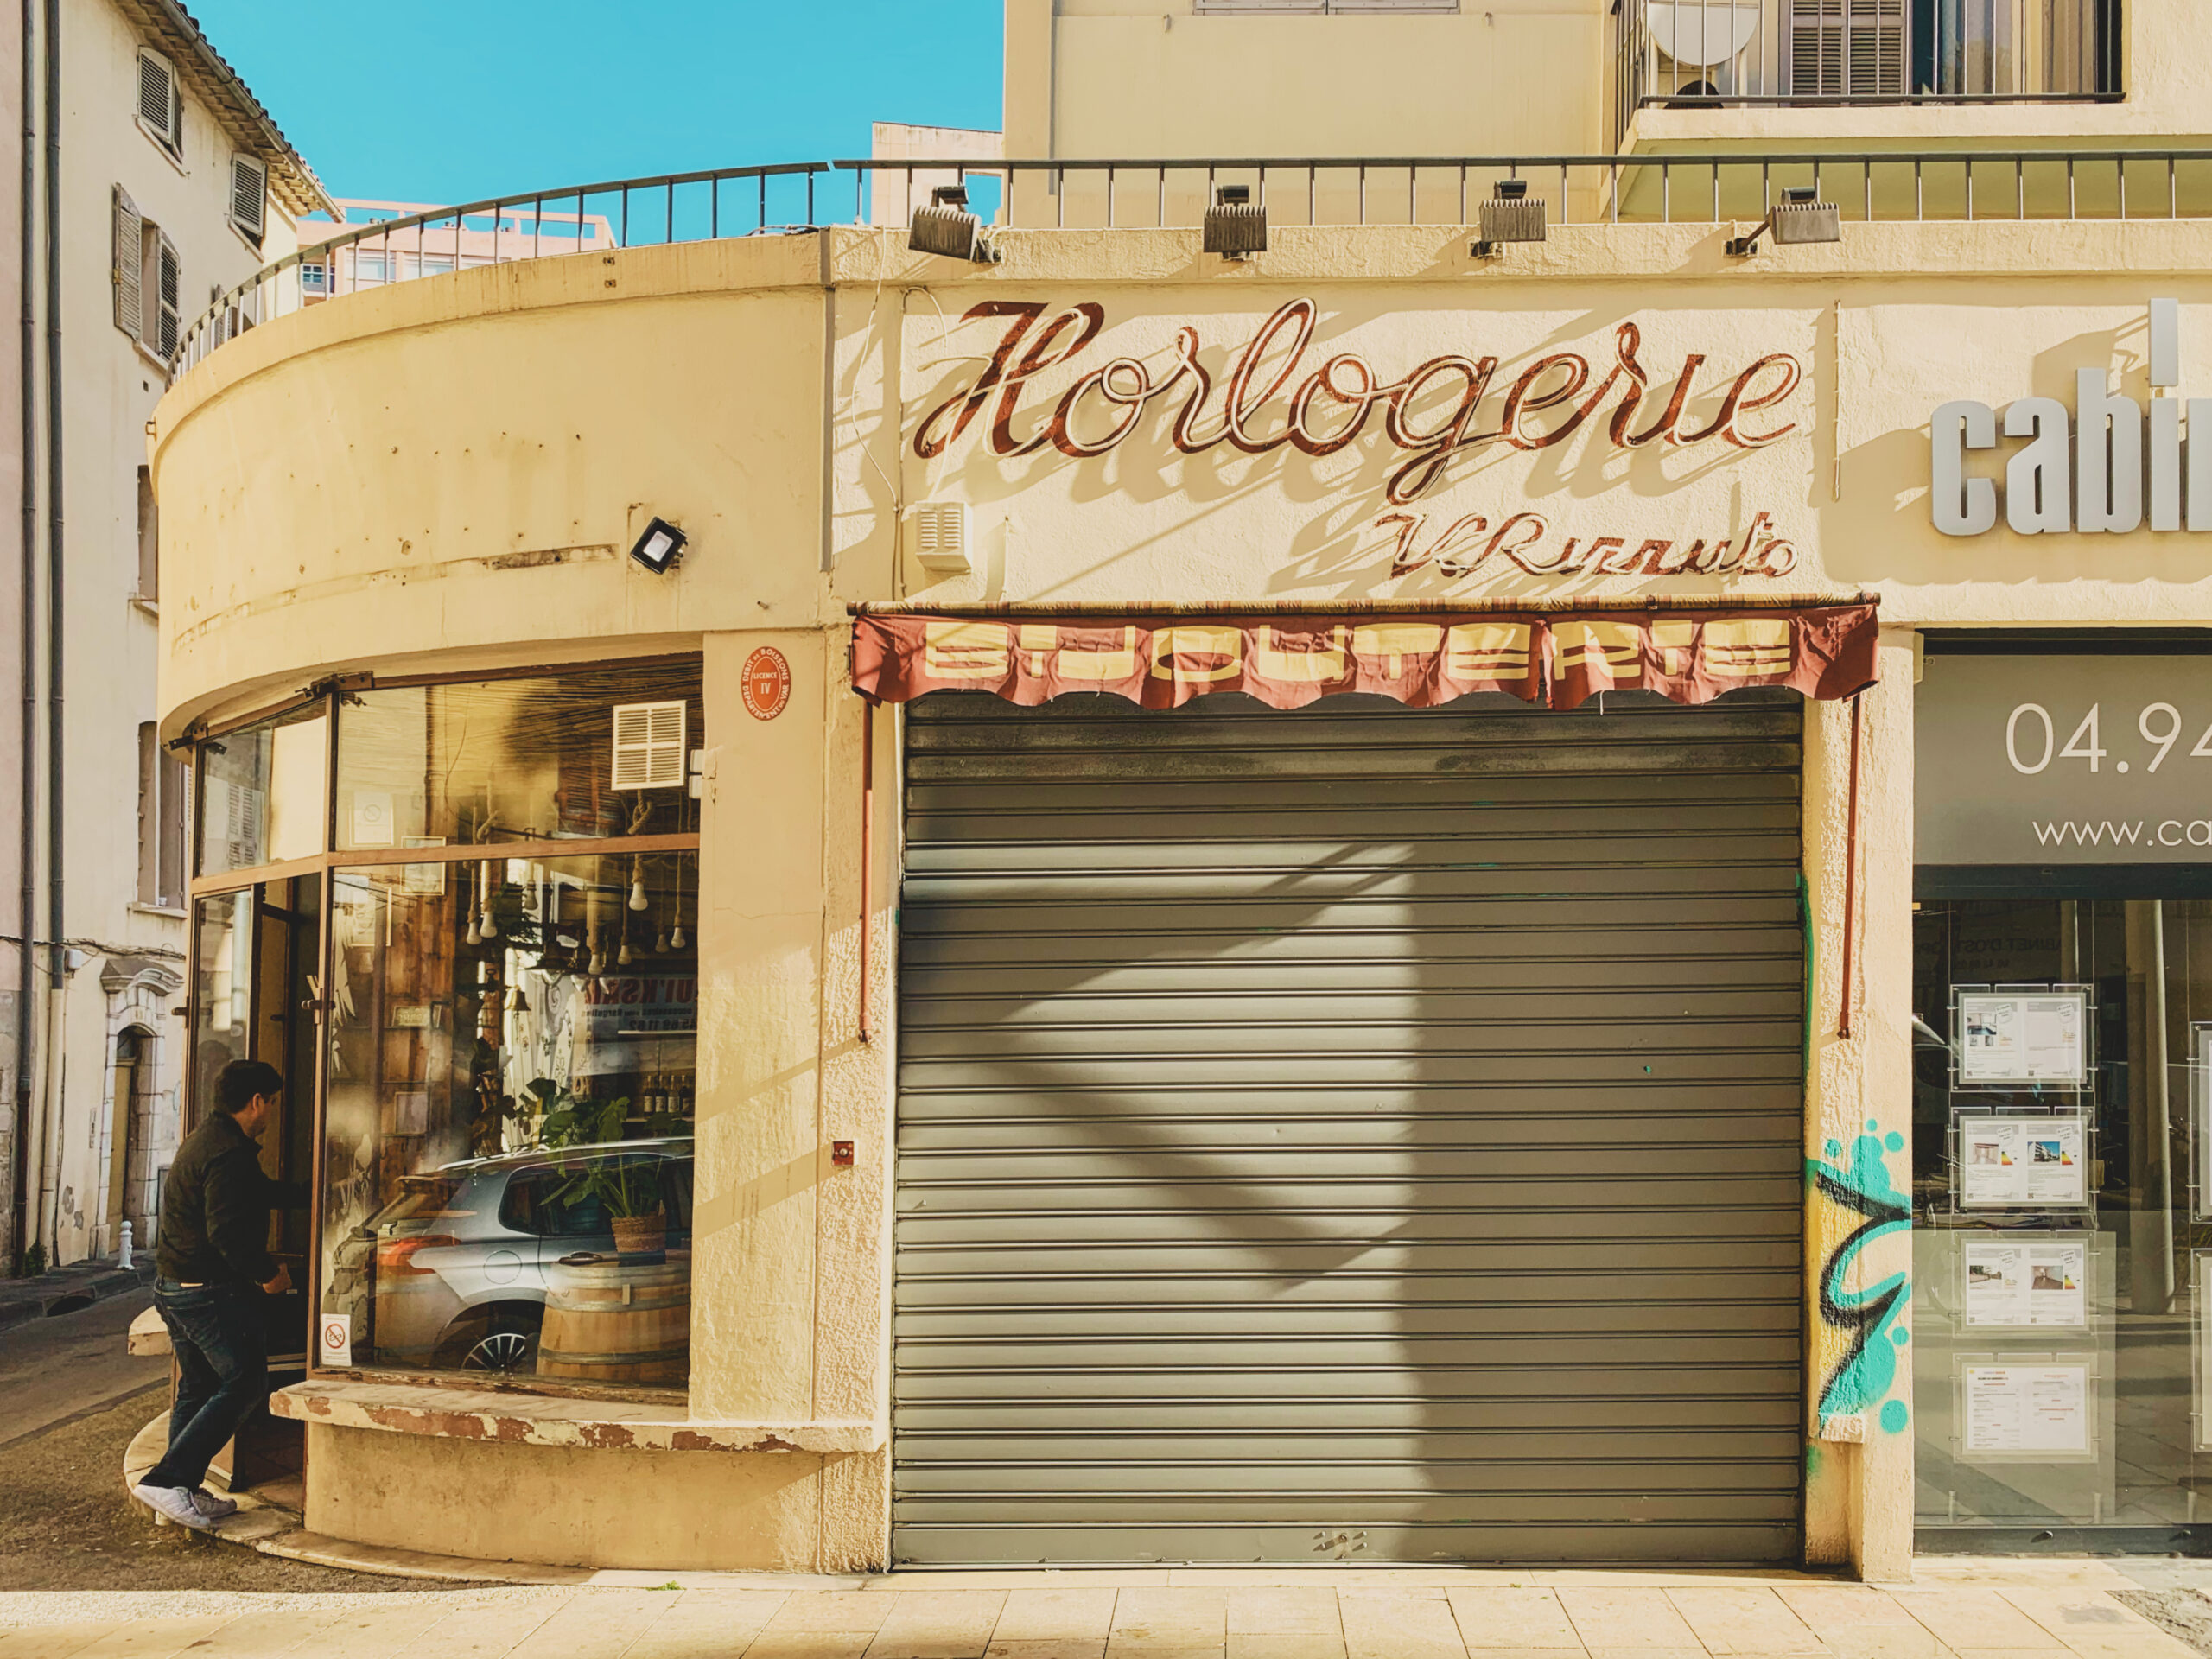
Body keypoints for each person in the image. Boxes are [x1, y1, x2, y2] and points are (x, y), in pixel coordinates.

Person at [132, 1058, 305, 1530]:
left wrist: (313, 1194)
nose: (270, 1112)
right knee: (246, 1382)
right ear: (256, 1102)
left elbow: (254, 1193)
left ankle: (177, 1489)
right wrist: (268, 1273)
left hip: (175, 1287)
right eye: (270, 1103)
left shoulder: (208, 1141)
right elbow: (227, 1231)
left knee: (199, 1386)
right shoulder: (229, 1153)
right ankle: (168, 1481)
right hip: (206, 1292)